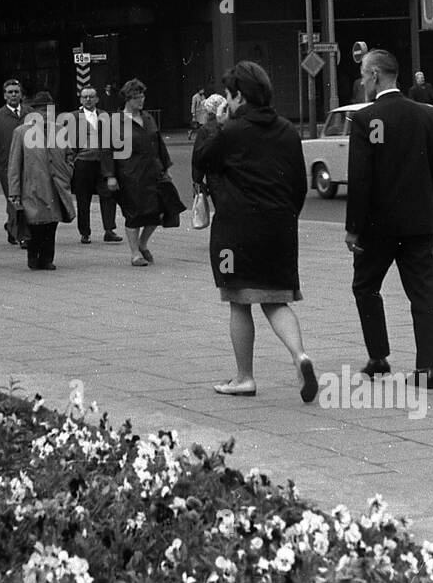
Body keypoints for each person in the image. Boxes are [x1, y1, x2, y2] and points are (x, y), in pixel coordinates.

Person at [193, 62, 318, 400]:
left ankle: (244, 377)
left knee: (239, 301)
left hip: (235, 232)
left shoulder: (232, 132)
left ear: (238, 97)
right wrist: (288, 216)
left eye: (230, 96)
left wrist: (217, 125)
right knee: (277, 299)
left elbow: (203, 160)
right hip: (279, 229)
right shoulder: (288, 131)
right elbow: (298, 186)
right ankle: (300, 355)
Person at [345, 49, 433, 388]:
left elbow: (361, 180)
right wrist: (426, 212)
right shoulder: (427, 116)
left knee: (365, 287)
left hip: (378, 228)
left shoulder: (365, 119)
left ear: (375, 75)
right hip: (419, 224)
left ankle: (378, 358)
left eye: (363, 74)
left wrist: (354, 229)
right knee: (423, 293)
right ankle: (427, 367)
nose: (361, 81)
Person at [103, 78, 170, 266]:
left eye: (142, 97)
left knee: (158, 211)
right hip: (129, 174)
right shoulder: (116, 121)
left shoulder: (148, 118)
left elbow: (158, 143)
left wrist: (166, 167)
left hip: (152, 171)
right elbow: (107, 150)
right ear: (127, 99)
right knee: (134, 213)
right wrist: (110, 175)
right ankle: (135, 254)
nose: (140, 101)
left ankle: (142, 243)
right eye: (136, 98)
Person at [8, 91, 75, 271]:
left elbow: (69, 155)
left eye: (48, 109)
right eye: (41, 110)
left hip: (56, 186)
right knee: (35, 224)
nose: (45, 113)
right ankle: (33, 257)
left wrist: (67, 172)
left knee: (52, 224)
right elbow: (14, 163)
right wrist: (14, 191)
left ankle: (47, 258)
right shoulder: (21, 132)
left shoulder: (60, 130)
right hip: (33, 187)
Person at [72, 85, 121, 244]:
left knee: (108, 195)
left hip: (103, 163)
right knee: (83, 199)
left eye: (91, 96)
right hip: (83, 163)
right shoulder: (73, 117)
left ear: (97, 99)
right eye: (85, 97)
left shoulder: (104, 116)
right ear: (80, 99)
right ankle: (85, 233)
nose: (88, 99)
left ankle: (109, 230)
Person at [0, 79, 30, 247]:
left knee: (27, 200)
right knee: (14, 199)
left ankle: (12, 227)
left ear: (21, 94)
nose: (13, 95)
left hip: (28, 165)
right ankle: (22, 236)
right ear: (4, 96)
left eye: (16, 92)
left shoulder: (30, 113)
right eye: (10, 92)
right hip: (7, 166)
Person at [191, 93, 228, 201]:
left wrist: (197, 180)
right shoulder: (231, 125)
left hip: (214, 177)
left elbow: (199, 157)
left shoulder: (205, 129)